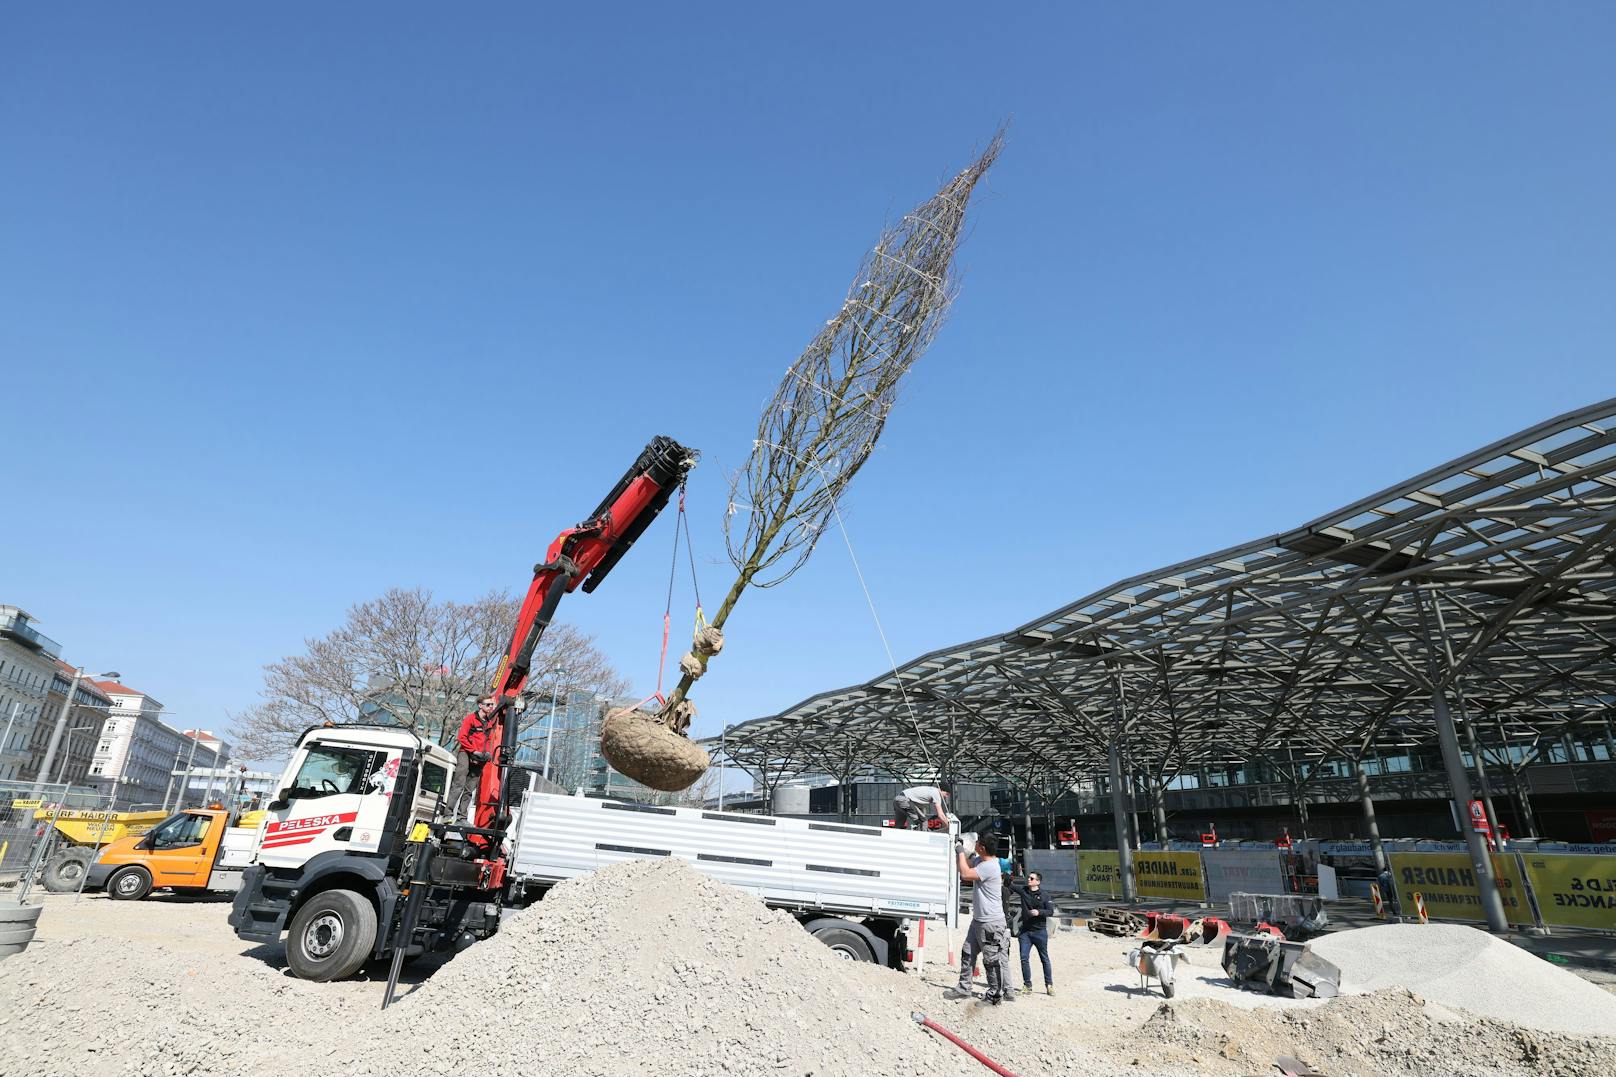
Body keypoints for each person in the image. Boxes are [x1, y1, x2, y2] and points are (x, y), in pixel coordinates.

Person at [943, 834, 1014, 1005]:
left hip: (991, 923)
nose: (974, 845)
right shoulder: (981, 861)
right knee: (967, 952)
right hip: (979, 921)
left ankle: (994, 996)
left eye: (976, 844)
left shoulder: (990, 866)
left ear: (982, 848)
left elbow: (966, 874)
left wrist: (960, 850)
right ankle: (964, 987)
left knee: (991, 960)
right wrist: (961, 852)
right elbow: (965, 865)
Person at [447, 694, 498, 822]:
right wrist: (473, 751)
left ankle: (462, 817)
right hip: (466, 753)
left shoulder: (489, 722)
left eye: (492, 704)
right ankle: (447, 814)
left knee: (470, 789)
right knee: (458, 784)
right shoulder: (470, 719)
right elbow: (461, 737)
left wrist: (487, 753)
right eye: (488, 704)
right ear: (480, 706)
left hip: (479, 757)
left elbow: (489, 740)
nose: (491, 706)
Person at [1010, 871, 1055, 995]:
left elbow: (1051, 912)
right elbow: (1010, 885)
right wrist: (1004, 876)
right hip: (1025, 932)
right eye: (1028, 877)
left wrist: (1039, 912)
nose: (1028, 879)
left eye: (1031, 878)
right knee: (1024, 958)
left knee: (1044, 959)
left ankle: (1049, 985)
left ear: (1038, 882)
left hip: (1040, 932)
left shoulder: (1044, 895)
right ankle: (1027, 986)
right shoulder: (1024, 891)